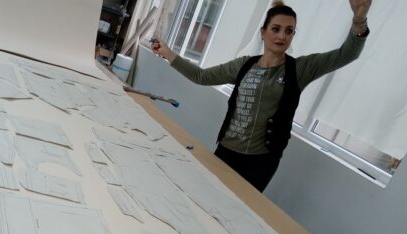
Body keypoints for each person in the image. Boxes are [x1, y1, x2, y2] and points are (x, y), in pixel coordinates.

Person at [151, 0, 372, 192]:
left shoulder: (299, 69)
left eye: (289, 31)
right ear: (263, 32)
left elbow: (347, 54)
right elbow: (202, 76)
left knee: (241, 210)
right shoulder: (243, 65)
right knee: (208, 196)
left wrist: (359, 20)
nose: (282, 36)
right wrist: (169, 54)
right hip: (227, 151)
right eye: (276, 29)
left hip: (261, 163)